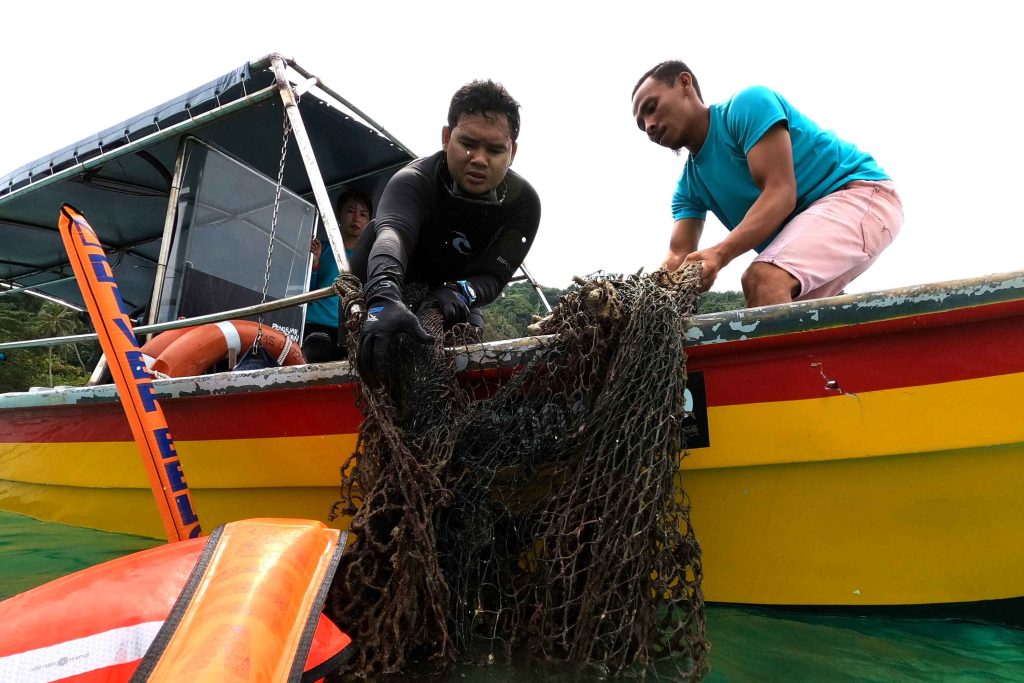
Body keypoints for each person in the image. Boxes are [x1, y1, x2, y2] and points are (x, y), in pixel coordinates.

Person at [631, 60, 903, 307]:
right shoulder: (689, 188)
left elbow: (781, 193)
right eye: (642, 125)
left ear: (684, 83)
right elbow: (678, 254)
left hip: (860, 195)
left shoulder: (747, 106)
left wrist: (720, 254)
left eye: (651, 108)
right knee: (767, 299)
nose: (649, 125)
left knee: (763, 278)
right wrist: (639, 297)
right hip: (809, 227)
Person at [350, 79, 541, 385]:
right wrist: (383, 293)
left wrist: (459, 290)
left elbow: (493, 277)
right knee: (372, 233)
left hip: (456, 299)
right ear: (446, 137)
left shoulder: (523, 204)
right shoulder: (413, 180)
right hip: (394, 289)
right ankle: (338, 349)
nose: (478, 159)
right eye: (467, 144)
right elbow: (392, 233)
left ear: (512, 152)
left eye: (494, 149)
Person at [303, 189, 372, 362]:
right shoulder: (320, 248)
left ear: (369, 222)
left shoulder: (371, 257)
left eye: (363, 214)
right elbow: (306, 292)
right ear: (338, 215)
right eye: (350, 211)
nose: (356, 218)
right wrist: (315, 264)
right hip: (315, 324)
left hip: (352, 328)